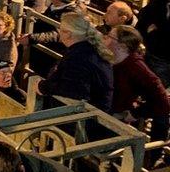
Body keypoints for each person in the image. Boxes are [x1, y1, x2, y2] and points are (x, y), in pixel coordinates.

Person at [104, 25, 170, 161]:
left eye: (110, 36)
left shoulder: (135, 66)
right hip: (106, 112)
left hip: (115, 118)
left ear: (122, 46)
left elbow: (161, 98)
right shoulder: (110, 58)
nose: (105, 38)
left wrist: (136, 113)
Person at [37, 13, 114, 112]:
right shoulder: (90, 48)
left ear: (68, 33)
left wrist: (43, 87)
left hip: (87, 117)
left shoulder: (79, 56)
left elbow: (70, 89)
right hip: (96, 109)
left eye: (60, 29)